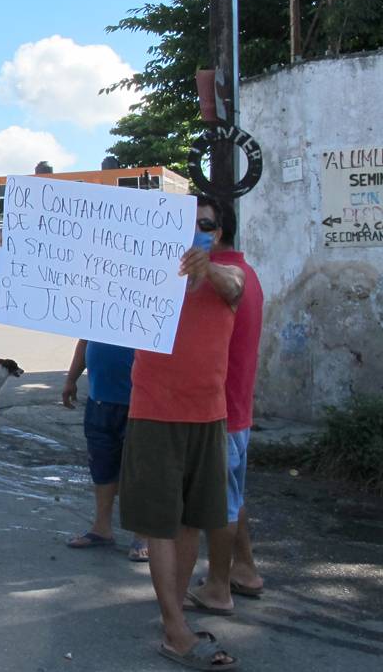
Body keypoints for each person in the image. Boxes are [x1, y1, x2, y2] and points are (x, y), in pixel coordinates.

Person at [119, 195, 244, 669]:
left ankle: (174, 617)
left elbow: (234, 286)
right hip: (153, 412)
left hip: (207, 416)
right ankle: (175, 628)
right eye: (186, 225)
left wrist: (206, 268)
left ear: (218, 234)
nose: (195, 233)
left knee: (192, 520)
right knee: (159, 524)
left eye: (205, 226)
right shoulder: (145, 275)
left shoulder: (228, 278)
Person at [187, 203, 266, 614]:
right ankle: (245, 569)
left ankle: (218, 587)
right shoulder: (247, 273)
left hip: (219, 411)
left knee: (221, 503)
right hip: (238, 409)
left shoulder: (220, 280)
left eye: (198, 225)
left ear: (217, 232)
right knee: (232, 494)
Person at [62, 339, 148, 562]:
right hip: (99, 400)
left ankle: (143, 536)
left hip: (141, 402)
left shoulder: (150, 305)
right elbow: (84, 340)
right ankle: (101, 529)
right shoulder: (101, 305)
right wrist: (71, 379)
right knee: (101, 468)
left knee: (140, 470)